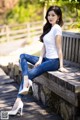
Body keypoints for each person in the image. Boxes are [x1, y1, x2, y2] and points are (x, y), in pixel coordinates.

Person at [8, 5, 68, 116]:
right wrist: (40, 60)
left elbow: (59, 48)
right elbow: (44, 47)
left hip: (54, 61)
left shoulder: (57, 29)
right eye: (49, 15)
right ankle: (26, 82)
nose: (50, 17)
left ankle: (17, 102)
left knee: (31, 73)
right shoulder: (49, 27)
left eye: (53, 15)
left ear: (58, 17)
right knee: (23, 56)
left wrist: (61, 66)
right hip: (45, 59)